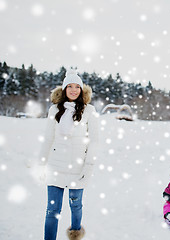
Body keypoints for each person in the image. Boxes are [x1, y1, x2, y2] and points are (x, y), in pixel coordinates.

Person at [38, 69, 99, 240]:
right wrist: (41, 164)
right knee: (52, 210)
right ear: (64, 89)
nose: (73, 90)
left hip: (77, 168)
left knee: (76, 204)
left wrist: (89, 166)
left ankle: (75, 232)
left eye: (77, 86)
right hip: (55, 167)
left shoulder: (89, 111)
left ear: (81, 90)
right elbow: (48, 139)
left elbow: (95, 141)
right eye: (69, 86)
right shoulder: (54, 110)